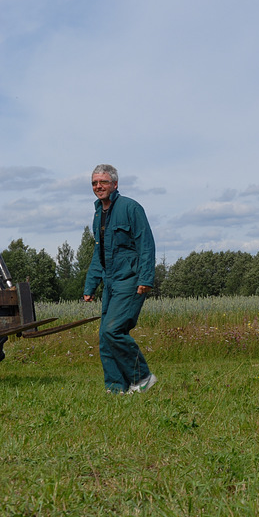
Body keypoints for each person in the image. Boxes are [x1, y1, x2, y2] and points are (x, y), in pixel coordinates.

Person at [83, 164, 158, 393]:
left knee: (113, 330)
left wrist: (145, 278)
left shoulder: (130, 208)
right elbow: (100, 253)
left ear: (115, 184)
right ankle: (116, 388)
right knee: (105, 337)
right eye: (95, 183)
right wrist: (91, 285)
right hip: (110, 282)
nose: (98, 187)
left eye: (103, 182)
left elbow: (146, 244)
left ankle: (143, 378)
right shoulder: (99, 214)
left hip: (131, 280)